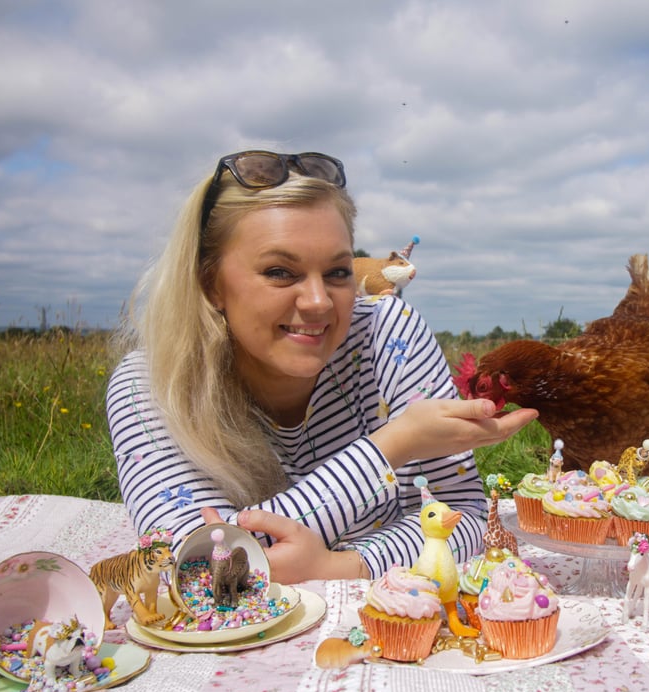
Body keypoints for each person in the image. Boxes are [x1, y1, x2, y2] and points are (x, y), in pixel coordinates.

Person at [107, 150, 537, 583]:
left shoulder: (389, 334)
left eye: (337, 272)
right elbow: (195, 567)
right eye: (279, 271)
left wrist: (341, 566)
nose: (318, 302)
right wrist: (392, 446)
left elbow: (465, 515)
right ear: (210, 283)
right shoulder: (152, 387)